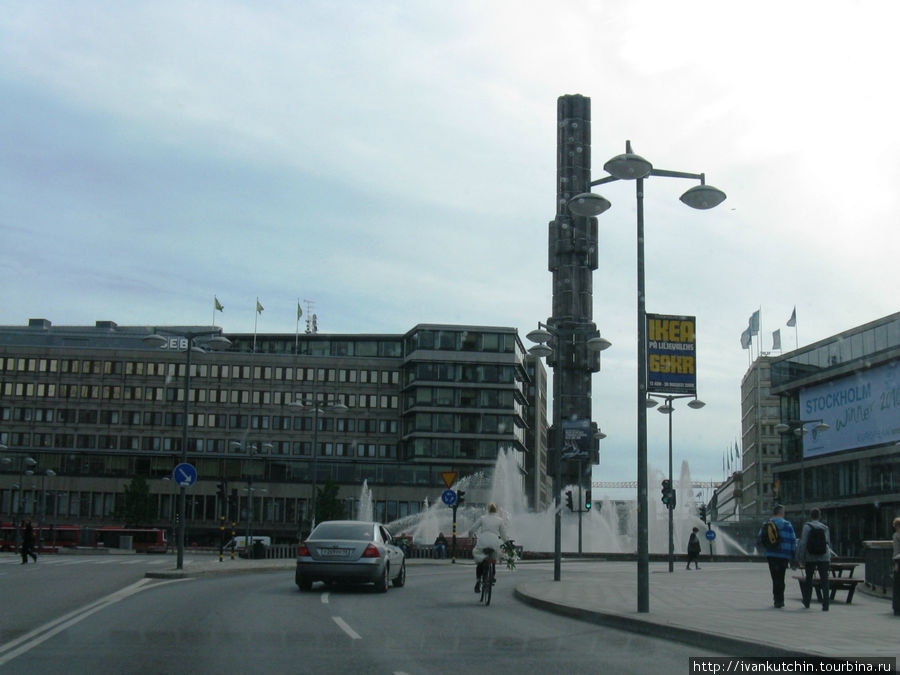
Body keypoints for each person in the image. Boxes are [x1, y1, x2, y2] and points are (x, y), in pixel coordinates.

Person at [757, 504, 797, 608]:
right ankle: (781, 600)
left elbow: (760, 538)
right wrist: (793, 557)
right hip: (784, 555)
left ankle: (776, 599)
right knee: (781, 577)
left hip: (771, 554)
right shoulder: (787, 524)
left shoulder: (766, 524)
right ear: (781, 512)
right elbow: (793, 541)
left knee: (775, 578)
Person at [797, 508, 831, 610]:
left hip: (810, 556)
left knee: (809, 579)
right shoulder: (825, 527)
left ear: (810, 516)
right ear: (819, 516)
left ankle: (807, 601)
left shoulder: (807, 527)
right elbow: (827, 542)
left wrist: (801, 557)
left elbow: (803, 543)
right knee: (825, 580)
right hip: (824, 557)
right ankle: (826, 604)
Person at [469, 502, 509, 593]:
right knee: (493, 556)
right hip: (495, 541)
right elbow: (503, 535)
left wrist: (470, 537)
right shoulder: (500, 520)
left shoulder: (483, 518)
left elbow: (472, 530)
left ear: (488, 510)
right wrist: (506, 543)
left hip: (483, 541)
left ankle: (478, 580)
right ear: (496, 510)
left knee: (480, 561)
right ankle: (493, 575)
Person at [892, 516, 900, 617]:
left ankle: (897, 607)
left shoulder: (896, 536)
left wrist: (896, 564)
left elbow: (897, 551)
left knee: (897, 585)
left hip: (898, 560)